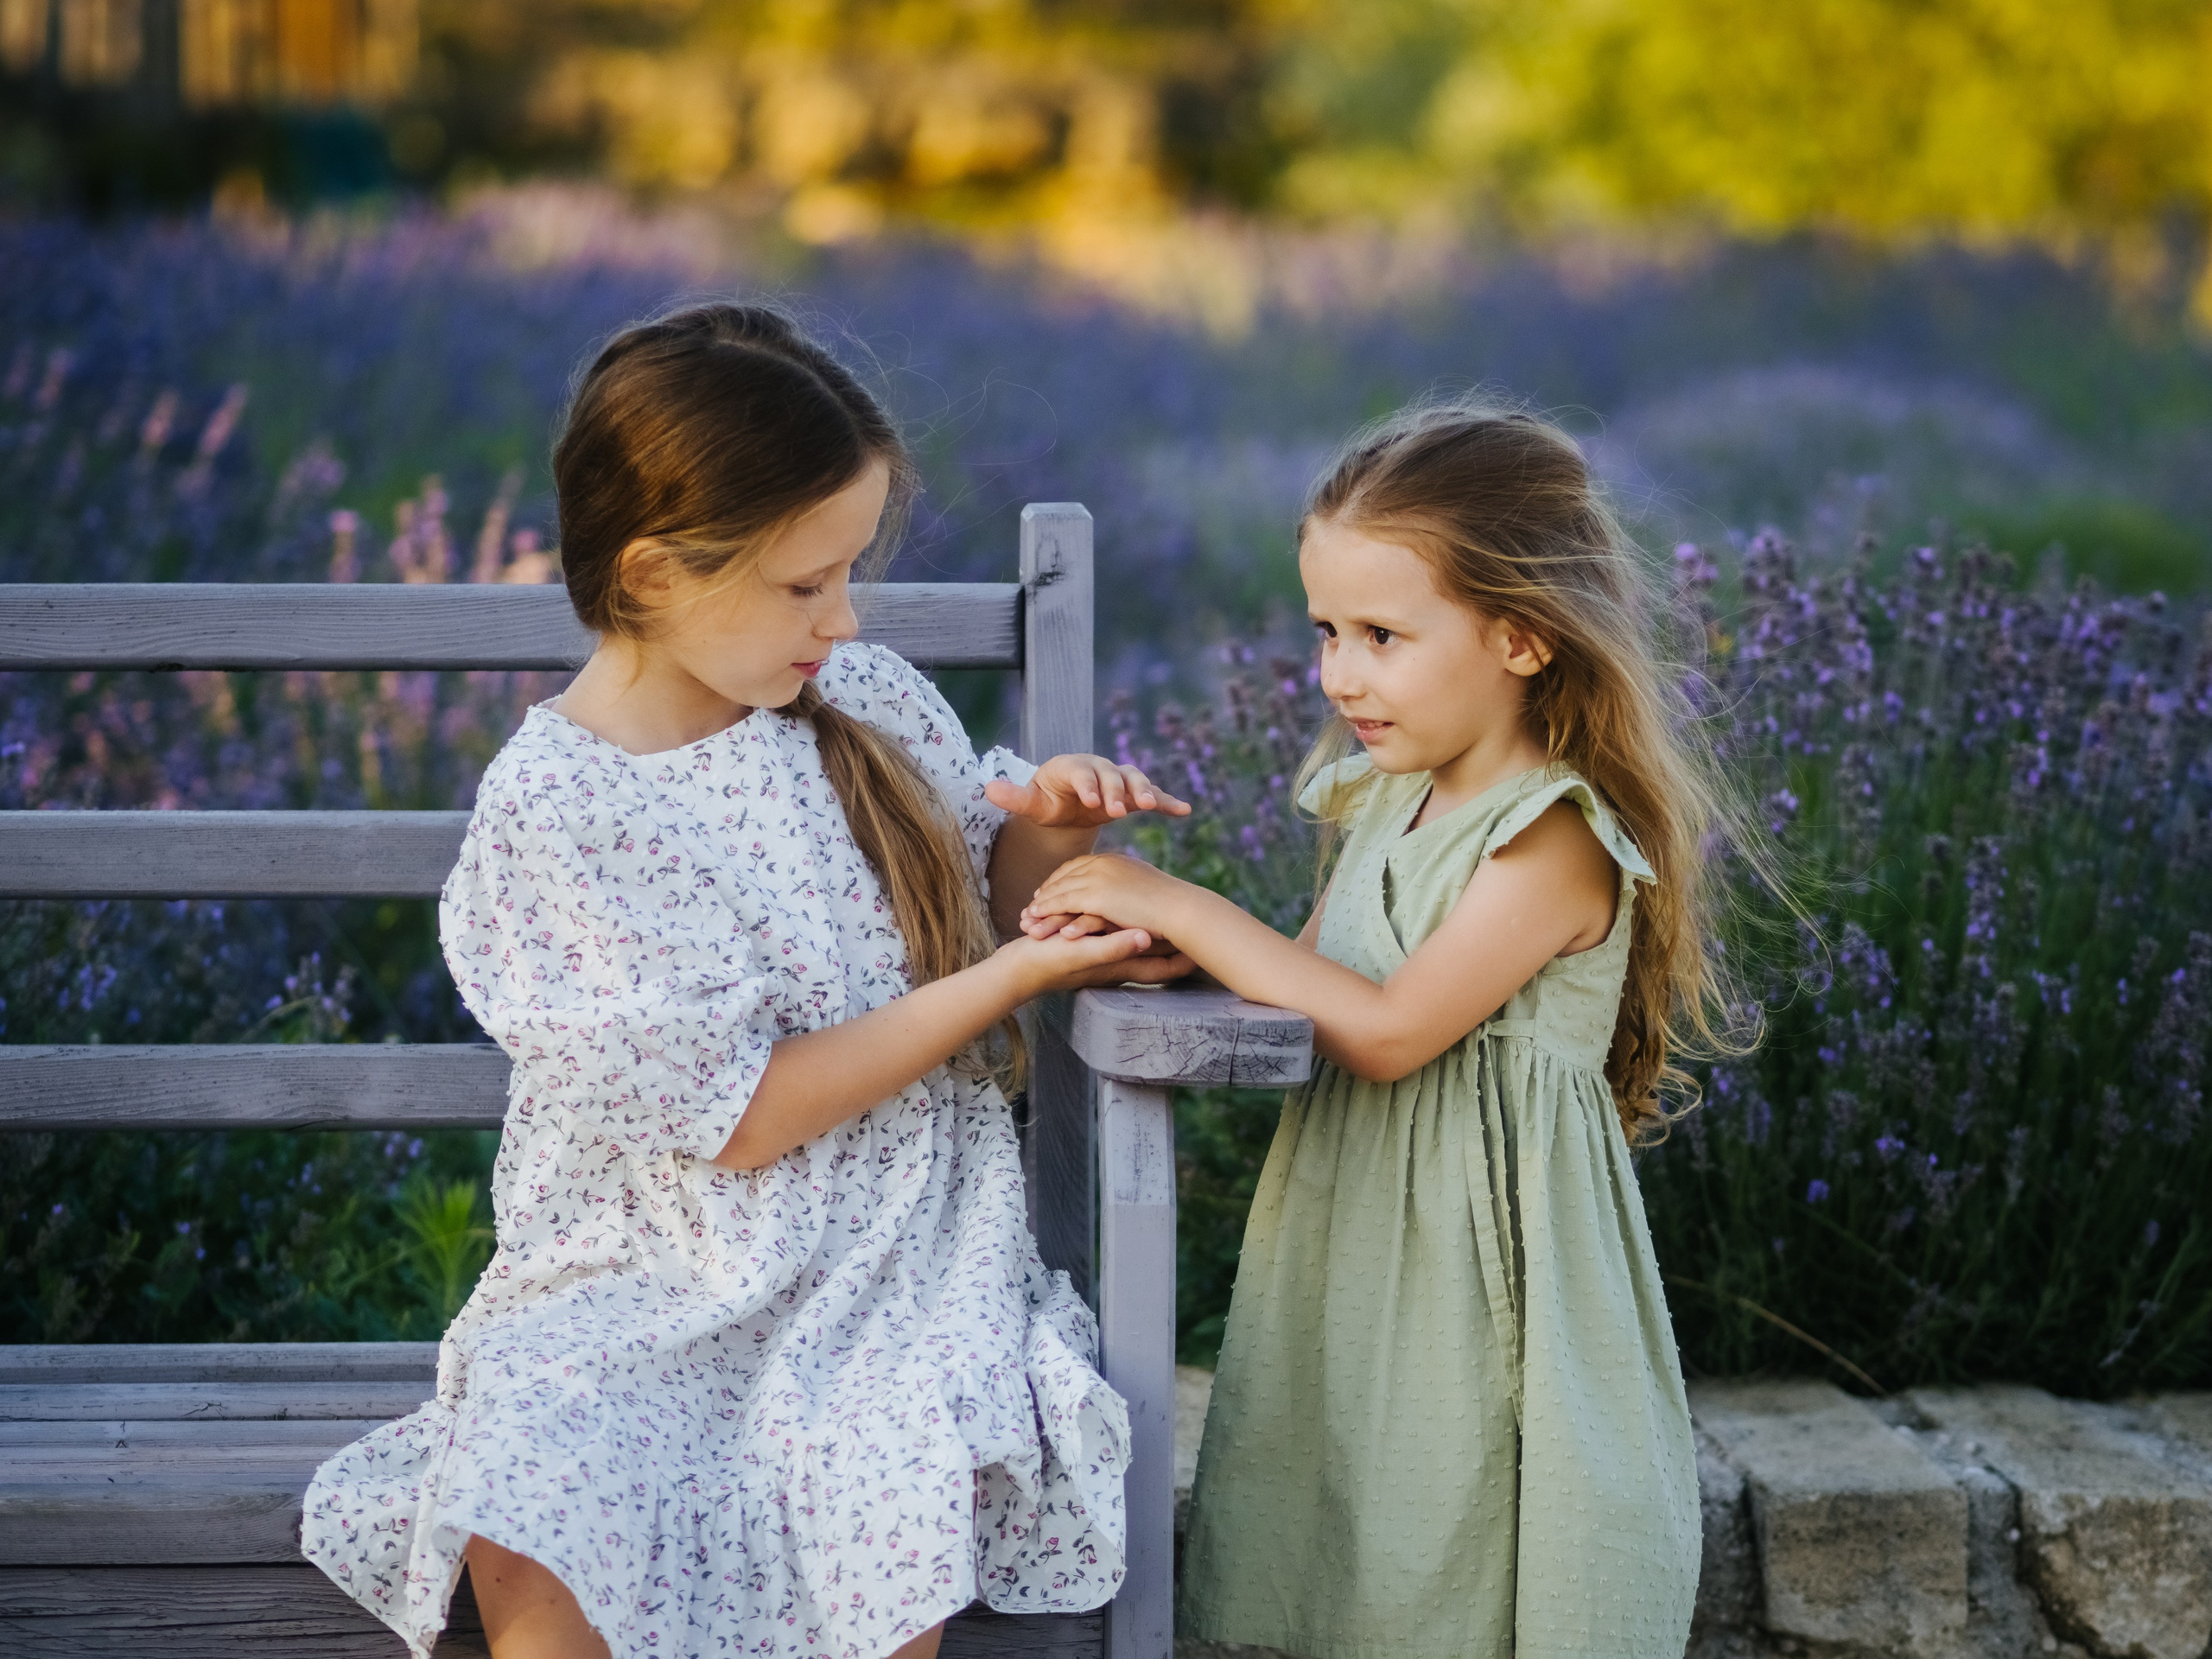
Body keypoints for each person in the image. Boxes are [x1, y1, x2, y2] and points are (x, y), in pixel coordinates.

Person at [302, 302, 1195, 1659]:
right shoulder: (565, 810)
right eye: (804, 585)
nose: (843, 618)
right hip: (652, 1255)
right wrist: (1011, 979)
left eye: (848, 576)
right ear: (654, 573)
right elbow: (746, 1116)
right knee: (530, 1484)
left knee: (870, 1472)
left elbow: (986, 905)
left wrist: (1053, 834)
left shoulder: (868, 702)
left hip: (897, 1247)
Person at [1021, 398, 1751, 1658]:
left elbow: (1392, 1029)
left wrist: (1183, 898)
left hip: (1487, 1256)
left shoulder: (1552, 837)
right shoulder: (1388, 800)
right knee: (1366, 1526)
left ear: (1522, 638)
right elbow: (1305, 989)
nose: (1339, 674)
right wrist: (1152, 944)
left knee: (1469, 1532)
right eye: (1325, 632)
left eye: (1381, 634)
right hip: (1367, 1232)